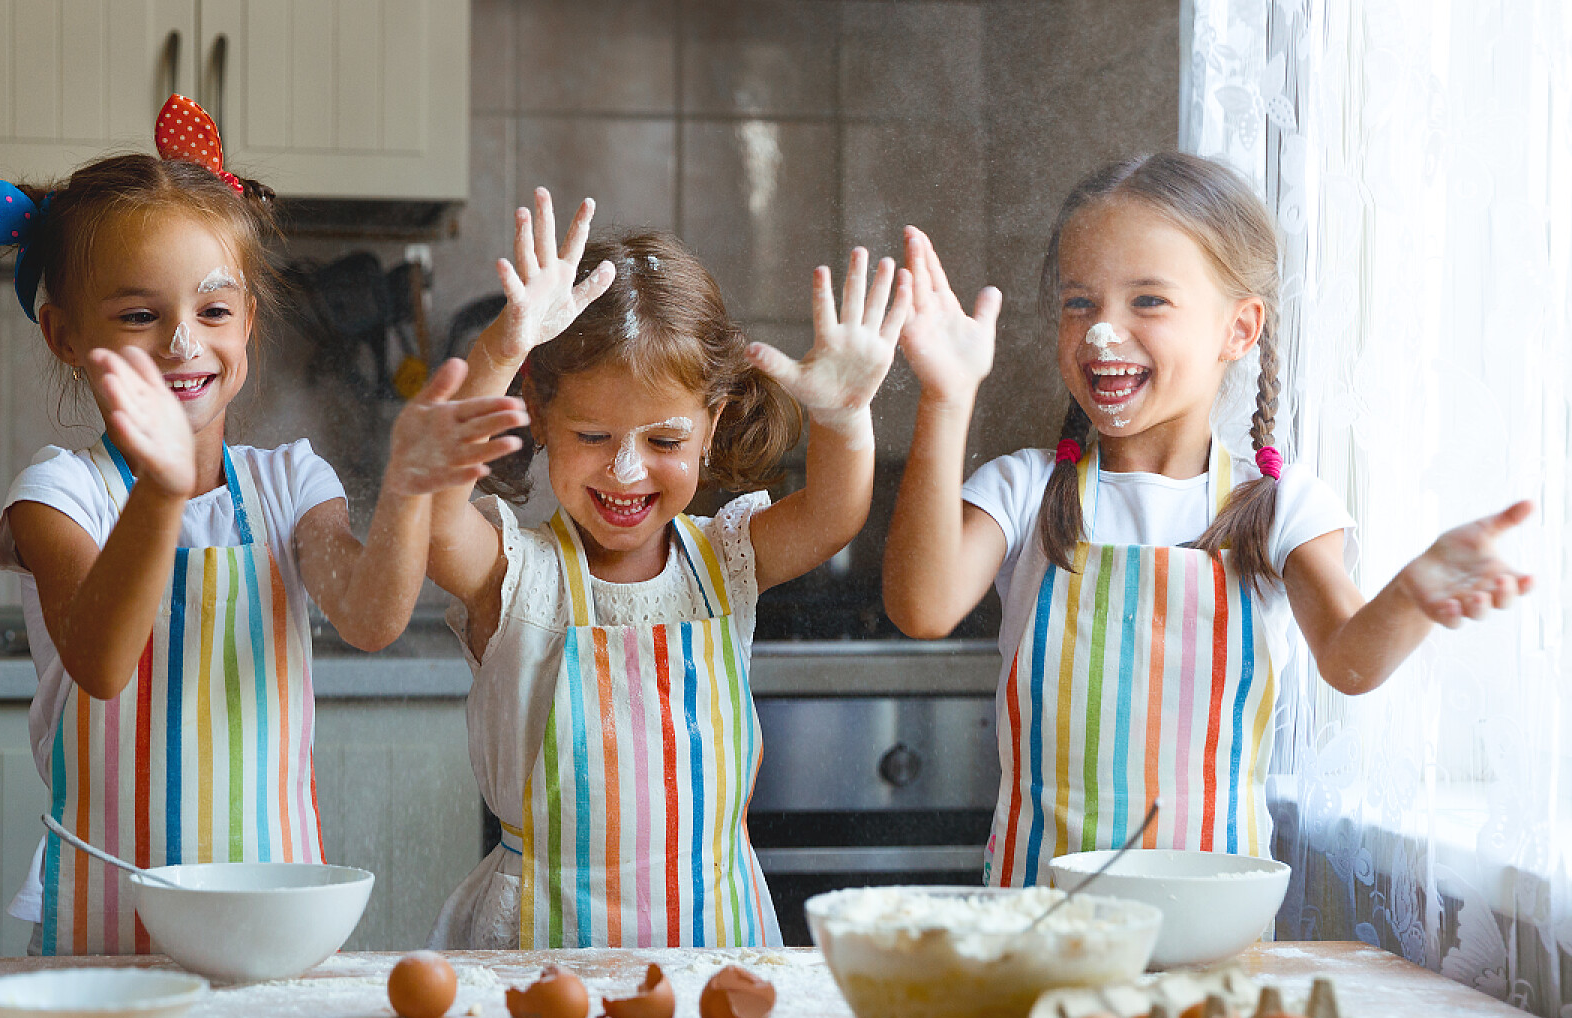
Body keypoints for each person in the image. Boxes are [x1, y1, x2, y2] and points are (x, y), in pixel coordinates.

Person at [883, 152, 1532, 887]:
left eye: (1148, 302)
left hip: (1214, 928)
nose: (1103, 331)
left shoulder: (1281, 507)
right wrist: (945, 396)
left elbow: (1350, 661)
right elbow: (922, 606)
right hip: (1040, 919)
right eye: (1079, 303)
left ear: (1239, 328)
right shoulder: (1025, 490)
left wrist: (1417, 591)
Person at [0, 97, 525, 953]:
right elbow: (101, 661)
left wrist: (411, 489)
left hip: (270, 915)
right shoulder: (61, 494)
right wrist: (158, 490)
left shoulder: (285, 483)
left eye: (213, 311)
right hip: (108, 921)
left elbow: (371, 618)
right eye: (137, 315)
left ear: (249, 324)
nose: (182, 343)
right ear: (64, 335)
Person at [426, 190, 913, 948]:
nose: (626, 470)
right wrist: (499, 351)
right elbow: (433, 519)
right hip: (538, 942)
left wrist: (844, 417)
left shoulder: (723, 560)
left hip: (715, 933)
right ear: (541, 415)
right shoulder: (517, 574)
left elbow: (830, 516)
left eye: (662, 440)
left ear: (712, 425)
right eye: (592, 434)